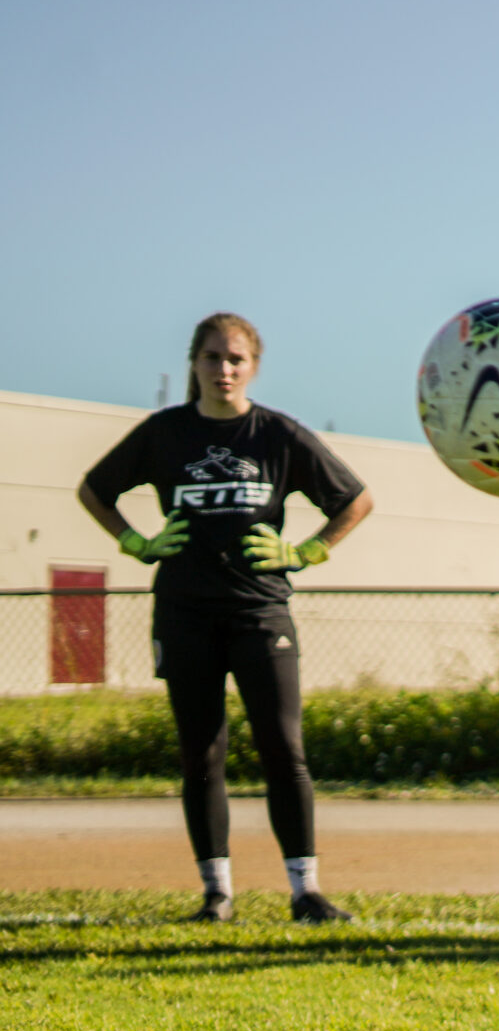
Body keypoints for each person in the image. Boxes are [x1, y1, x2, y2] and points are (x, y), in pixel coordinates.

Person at [78, 313, 373, 922]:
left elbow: (356, 499)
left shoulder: (279, 436)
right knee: (201, 754)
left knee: (283, 749)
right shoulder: (164, 433)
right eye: (213, 358)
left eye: (236, 359)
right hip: (185, 613)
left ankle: (305, 891)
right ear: (194, 363)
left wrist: (307, 551)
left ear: (253, 368)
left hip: (261, 612)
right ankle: (217, 894)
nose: (224, 370)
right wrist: (135, 542)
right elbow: (93, 490)